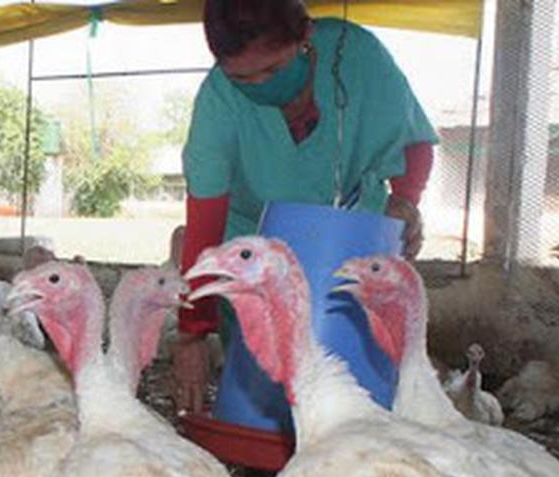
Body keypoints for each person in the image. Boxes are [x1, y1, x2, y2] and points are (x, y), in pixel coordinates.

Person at [172, 0, 438, 415]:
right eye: (242, 77)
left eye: (274, 69)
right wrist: (192, 332)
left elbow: (412, 140)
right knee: (264, 389)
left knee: (351, 385)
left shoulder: (358, 56)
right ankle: (264, 471)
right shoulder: (218, 99)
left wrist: (405, 201)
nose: (260, 84)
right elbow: (205, 217)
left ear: (305, 37)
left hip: (349, 235)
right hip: (256, 247)